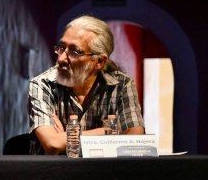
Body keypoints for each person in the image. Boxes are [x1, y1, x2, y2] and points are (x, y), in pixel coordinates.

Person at [28, 15, 145, 155]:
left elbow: (135, 139)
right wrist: (111, 131)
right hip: (55, 173)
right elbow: (53, 144)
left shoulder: (121, 85)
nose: (61, 58)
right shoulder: (42, 84)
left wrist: (67, 136)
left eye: (74, 51)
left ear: (99, 62)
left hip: (103, 174)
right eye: (61, 47)